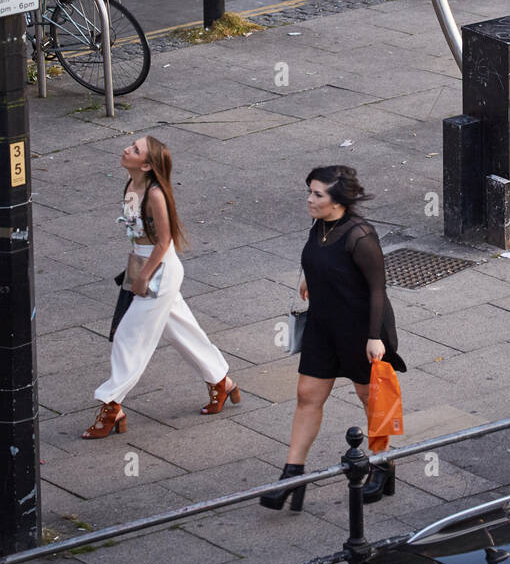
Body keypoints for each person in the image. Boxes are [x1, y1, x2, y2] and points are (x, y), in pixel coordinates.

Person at [261, 165, 405, 511]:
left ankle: (382, 464)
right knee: (307, 395)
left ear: (338, 201)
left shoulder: (361, 235)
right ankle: (292, 477)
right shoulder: (321, 226)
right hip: (323, 326)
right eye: (309, 192)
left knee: (369, 397)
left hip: (361, 330)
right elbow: (321, 258)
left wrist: (374, 337)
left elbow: (377, 290)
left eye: (317, 194)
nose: (309, 199)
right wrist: (311, 279)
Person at [82, 135, 239, 438]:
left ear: (147, 164)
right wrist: (134, 271)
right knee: (181, 329)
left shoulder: (155, 194)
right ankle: (221, 381)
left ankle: (112, 404)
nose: (127, 149)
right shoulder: (130, 185)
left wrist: (143, 277)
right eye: (132, 145)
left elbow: (164, 241)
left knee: (128, 337)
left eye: (136, 149)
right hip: (141, 264)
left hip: (160, 270)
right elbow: (135, 235)